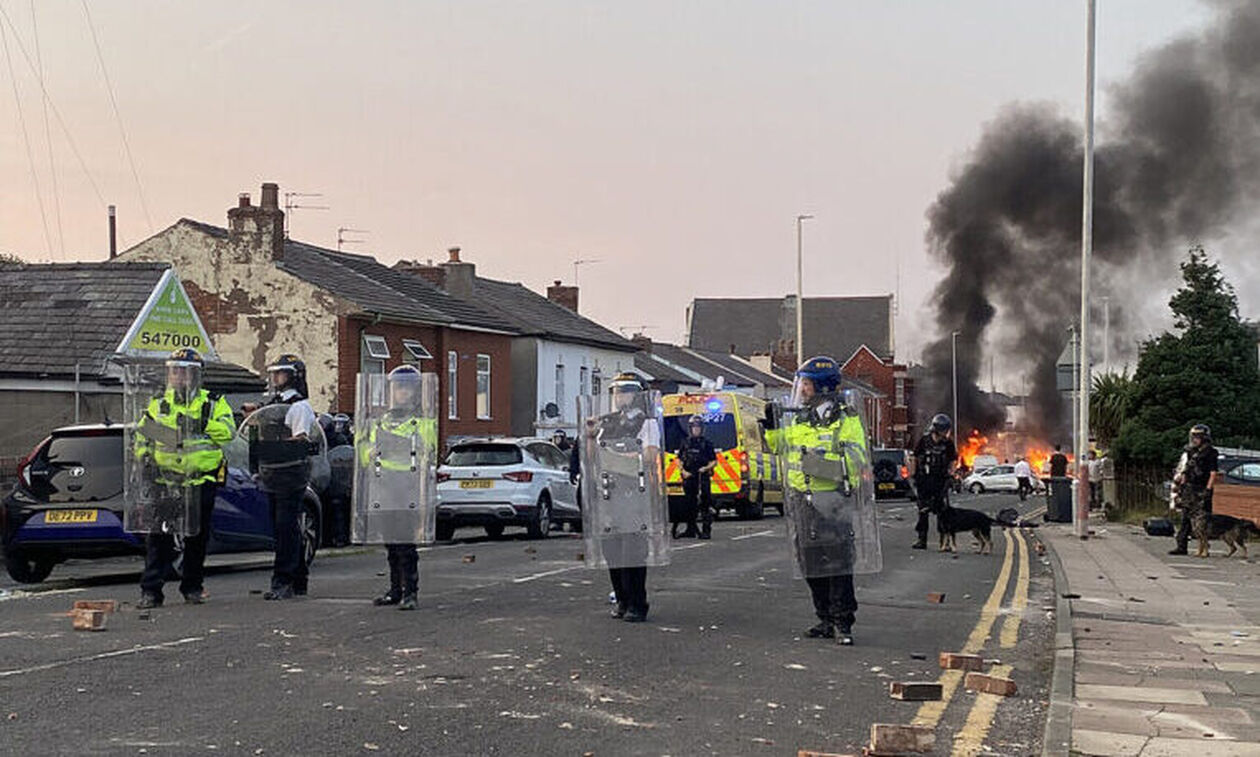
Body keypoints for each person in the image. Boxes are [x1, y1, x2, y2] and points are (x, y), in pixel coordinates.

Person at [763, 357, 873, 646]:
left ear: (822, 386)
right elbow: (780, 448)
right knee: (809, 561)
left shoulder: (846, 419)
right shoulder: (800, 417)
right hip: (802, 500)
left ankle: (842, 621)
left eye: (807, 384)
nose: (803, 390)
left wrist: (817, 464)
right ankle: (824, 616)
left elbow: (856, 461)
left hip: (833, 500)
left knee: (837, 561)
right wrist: (772, 425)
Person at [133, 349, 235, 608]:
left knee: (196, 539)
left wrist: (203, 424)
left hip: (201, 481)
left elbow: (228, 433)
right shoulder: (158, 403)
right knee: (159, 538)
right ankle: (151, 591)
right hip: (166, 481)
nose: (178, 375)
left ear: (195, 374)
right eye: (174, 370)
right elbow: (143, 437)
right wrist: (145, 459)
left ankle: (192, 586)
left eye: (184, 370)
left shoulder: (212, 403)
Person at [580, 372, 664, 623]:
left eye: (625, 391)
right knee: (612, 551)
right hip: (608, 493)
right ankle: (622, 599)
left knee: (633, 551)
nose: (620, 396)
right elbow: (593, 458)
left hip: (633, 492)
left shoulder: (646, 423)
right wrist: (591, 438)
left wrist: (614, 460)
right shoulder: (606, 423)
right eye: (616, 392)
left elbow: (648, 456)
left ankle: (638, 603)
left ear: (637, 395)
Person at [358, 365, 437, 611]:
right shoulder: (380, 421)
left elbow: (428, 453)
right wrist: (367, 453)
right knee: (390, 542)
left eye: (405, 388)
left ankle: (411, 592)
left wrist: (401, 446)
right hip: (383, 486)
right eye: (396, 388)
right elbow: (363, 456)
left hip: (408, 486)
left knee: (405, 542)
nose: (400, 393)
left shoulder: (422, 422)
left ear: (414, 392)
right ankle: (395, 589)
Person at [258, 353, 317, 600]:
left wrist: (276, 442)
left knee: (286, 528)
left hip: (291, 472)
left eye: (280, 373)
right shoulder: (275, 403)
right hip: (274, 471)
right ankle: (298, 578)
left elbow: (299, 439)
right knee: (285, 528)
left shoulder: (299, 406)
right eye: (273, 373)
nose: (275, 378)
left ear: (293, 377)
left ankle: (283, 580)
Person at [910, 414, 958, 550]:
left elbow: (953, 459)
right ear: (937, 429)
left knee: (942, 512)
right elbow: (914, 456)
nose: (946, 433)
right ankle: (921, 539)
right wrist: (913, 474)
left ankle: (944, 542)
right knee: (923, 511)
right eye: (944, 430)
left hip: (940, 480)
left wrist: (951, 473)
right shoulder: (924, 441)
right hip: (924, 480)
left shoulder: (948, 443)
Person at [1170, 424, 1218, 556]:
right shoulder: (1191, 452)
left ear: (1204, 438)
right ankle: (1181, 545)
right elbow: (1187, 471)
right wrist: (1182, 486)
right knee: (1186, 517)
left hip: (1202, 488)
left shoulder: (1210, 453)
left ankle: (1204, 546)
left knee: (1203, 519)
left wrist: (1208, 490)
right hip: (1190, 488)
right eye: (1193, 436)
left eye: (1197, 437)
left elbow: (1213, 473)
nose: (1194, 440)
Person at [675, 415, 718, 539]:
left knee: (705, 503)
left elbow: (714, 461)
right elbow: (679, 459)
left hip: (702, 477)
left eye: (698, 427)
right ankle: (690, 529)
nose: (696, 430)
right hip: (689, 477)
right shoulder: (685, 442)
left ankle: (706, 530)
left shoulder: (707, 444)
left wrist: (706, 468)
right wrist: (683, 471)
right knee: (689, 504)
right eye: (694, 427)